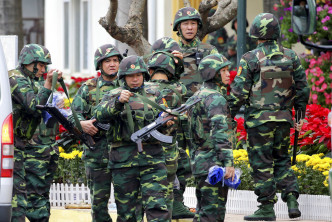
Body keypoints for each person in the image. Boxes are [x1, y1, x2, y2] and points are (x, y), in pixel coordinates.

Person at [229, 13, 310, 221]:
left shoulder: (250, 58)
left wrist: (228, 115)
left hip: (259, 122)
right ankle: (292, 200)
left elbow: (238, 92)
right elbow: (303, 89)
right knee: (282, 160)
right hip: (284, 120)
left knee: (262, 163)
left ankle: (266, 207)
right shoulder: (291, 57)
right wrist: (299, 114)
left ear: (256, 33)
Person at [94, 55, 172, 222]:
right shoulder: (113, 94)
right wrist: (117, 102)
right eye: (130, 76)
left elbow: (167, 121)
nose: (135, 79)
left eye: (138, 75)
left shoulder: (155, 92)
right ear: (123, 77)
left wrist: (167, 120)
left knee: (158, 207)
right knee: (127, 212)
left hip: (152, 160)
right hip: (123, 161)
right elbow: (99, 115)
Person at [172, 7, 218, 218]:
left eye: (193, 24)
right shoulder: (169, 51)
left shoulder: (209, 51)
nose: (189, 27)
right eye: (185, 24)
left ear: (198, 26)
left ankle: (205, 208)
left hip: (202, 119)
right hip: (177, 118)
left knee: (204, 164)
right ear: (178, 28)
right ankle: (177, 204)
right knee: (177, 163)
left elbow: (220, 81)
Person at [9, 43, 63, 222]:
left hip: (24, 145)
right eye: (40, 65)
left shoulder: (32, 80)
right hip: (13, 144)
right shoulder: (15, 78)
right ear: (28, 62)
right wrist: (48, 84)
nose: (43, 70)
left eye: (44, 66)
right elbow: (33, 107)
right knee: (17, 196)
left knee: (33, 194)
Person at [68, 44, 122, 222]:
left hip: (125, 155)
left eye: (115, 60)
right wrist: (82, 124)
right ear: (100, 64)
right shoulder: (88, 87)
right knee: (99, 205)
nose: (113, 64)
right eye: (108, 61)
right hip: (97, 154)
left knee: (128, 204)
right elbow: (72, 116)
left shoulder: (126, 85)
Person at [186, 53, 235, 222]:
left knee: (202, 213)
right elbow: (220, 132)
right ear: (213, 73)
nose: (228, 74)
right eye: (224, 70)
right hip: (214, 164)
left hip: (200, 163)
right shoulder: (215, 98)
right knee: (213, 215)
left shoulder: (196, 96)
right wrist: (228, 163)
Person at [146, 48, 187, 216]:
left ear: (150, 71)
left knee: (147, 191)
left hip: (147, 150)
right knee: (167, 191)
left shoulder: (143, 89)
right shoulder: (179, 89)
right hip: (169, 149)